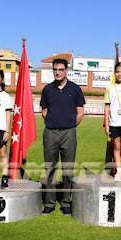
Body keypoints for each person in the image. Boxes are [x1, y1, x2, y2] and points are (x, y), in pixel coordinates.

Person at [40, 58, 85, 216]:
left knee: (68, 169)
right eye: (55, 69)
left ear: (66, 71)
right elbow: (43, 109)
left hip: (69, 133)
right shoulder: (47, 89)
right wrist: (52, 122)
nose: (57, 72)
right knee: (50, 168)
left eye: (60, 69)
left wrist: (69, 126)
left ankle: (66, 202)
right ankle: (49, 203)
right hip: (50, 133)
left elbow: (80, 113)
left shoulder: (75, 89)